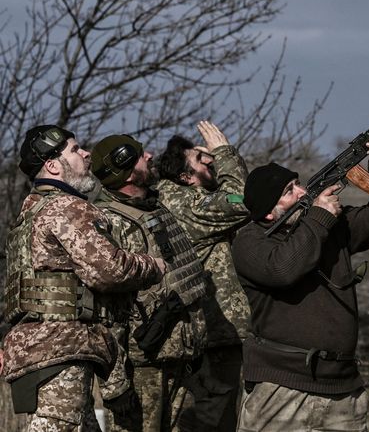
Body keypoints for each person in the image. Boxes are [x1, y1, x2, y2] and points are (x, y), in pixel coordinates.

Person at [2, 125, 166, 431]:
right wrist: (154, 266)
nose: (86, 153)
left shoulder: (28, 215)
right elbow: (110, 270)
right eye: (75, 150)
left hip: (37, 351)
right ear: (52, 165)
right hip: (61, 349)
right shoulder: (66, 207)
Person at [232, 129, 369, 432]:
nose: (300, 192)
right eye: (288, 191)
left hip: (341, 387)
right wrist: (319, 218)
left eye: (296, 184)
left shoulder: (325, 226)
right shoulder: (250, 242)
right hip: (281, 387)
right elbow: (284, 270)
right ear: (269, 213)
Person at [90, 134, 208, 431]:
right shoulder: (109, 221)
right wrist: (115, 383)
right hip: (140, 370)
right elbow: (102, 312)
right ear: (127, 170)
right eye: (142, 155)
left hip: (180, 361)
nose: (151, 156)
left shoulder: (154, 209)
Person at [155, 121, 251, 431]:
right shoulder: (187, 203)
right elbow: (242, 199)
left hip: (209, 333)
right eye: (200, 159)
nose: (209, 159)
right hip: (208, 334)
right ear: (185, 176)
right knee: (211, 420)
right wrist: (223, 150)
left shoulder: (189, 198)